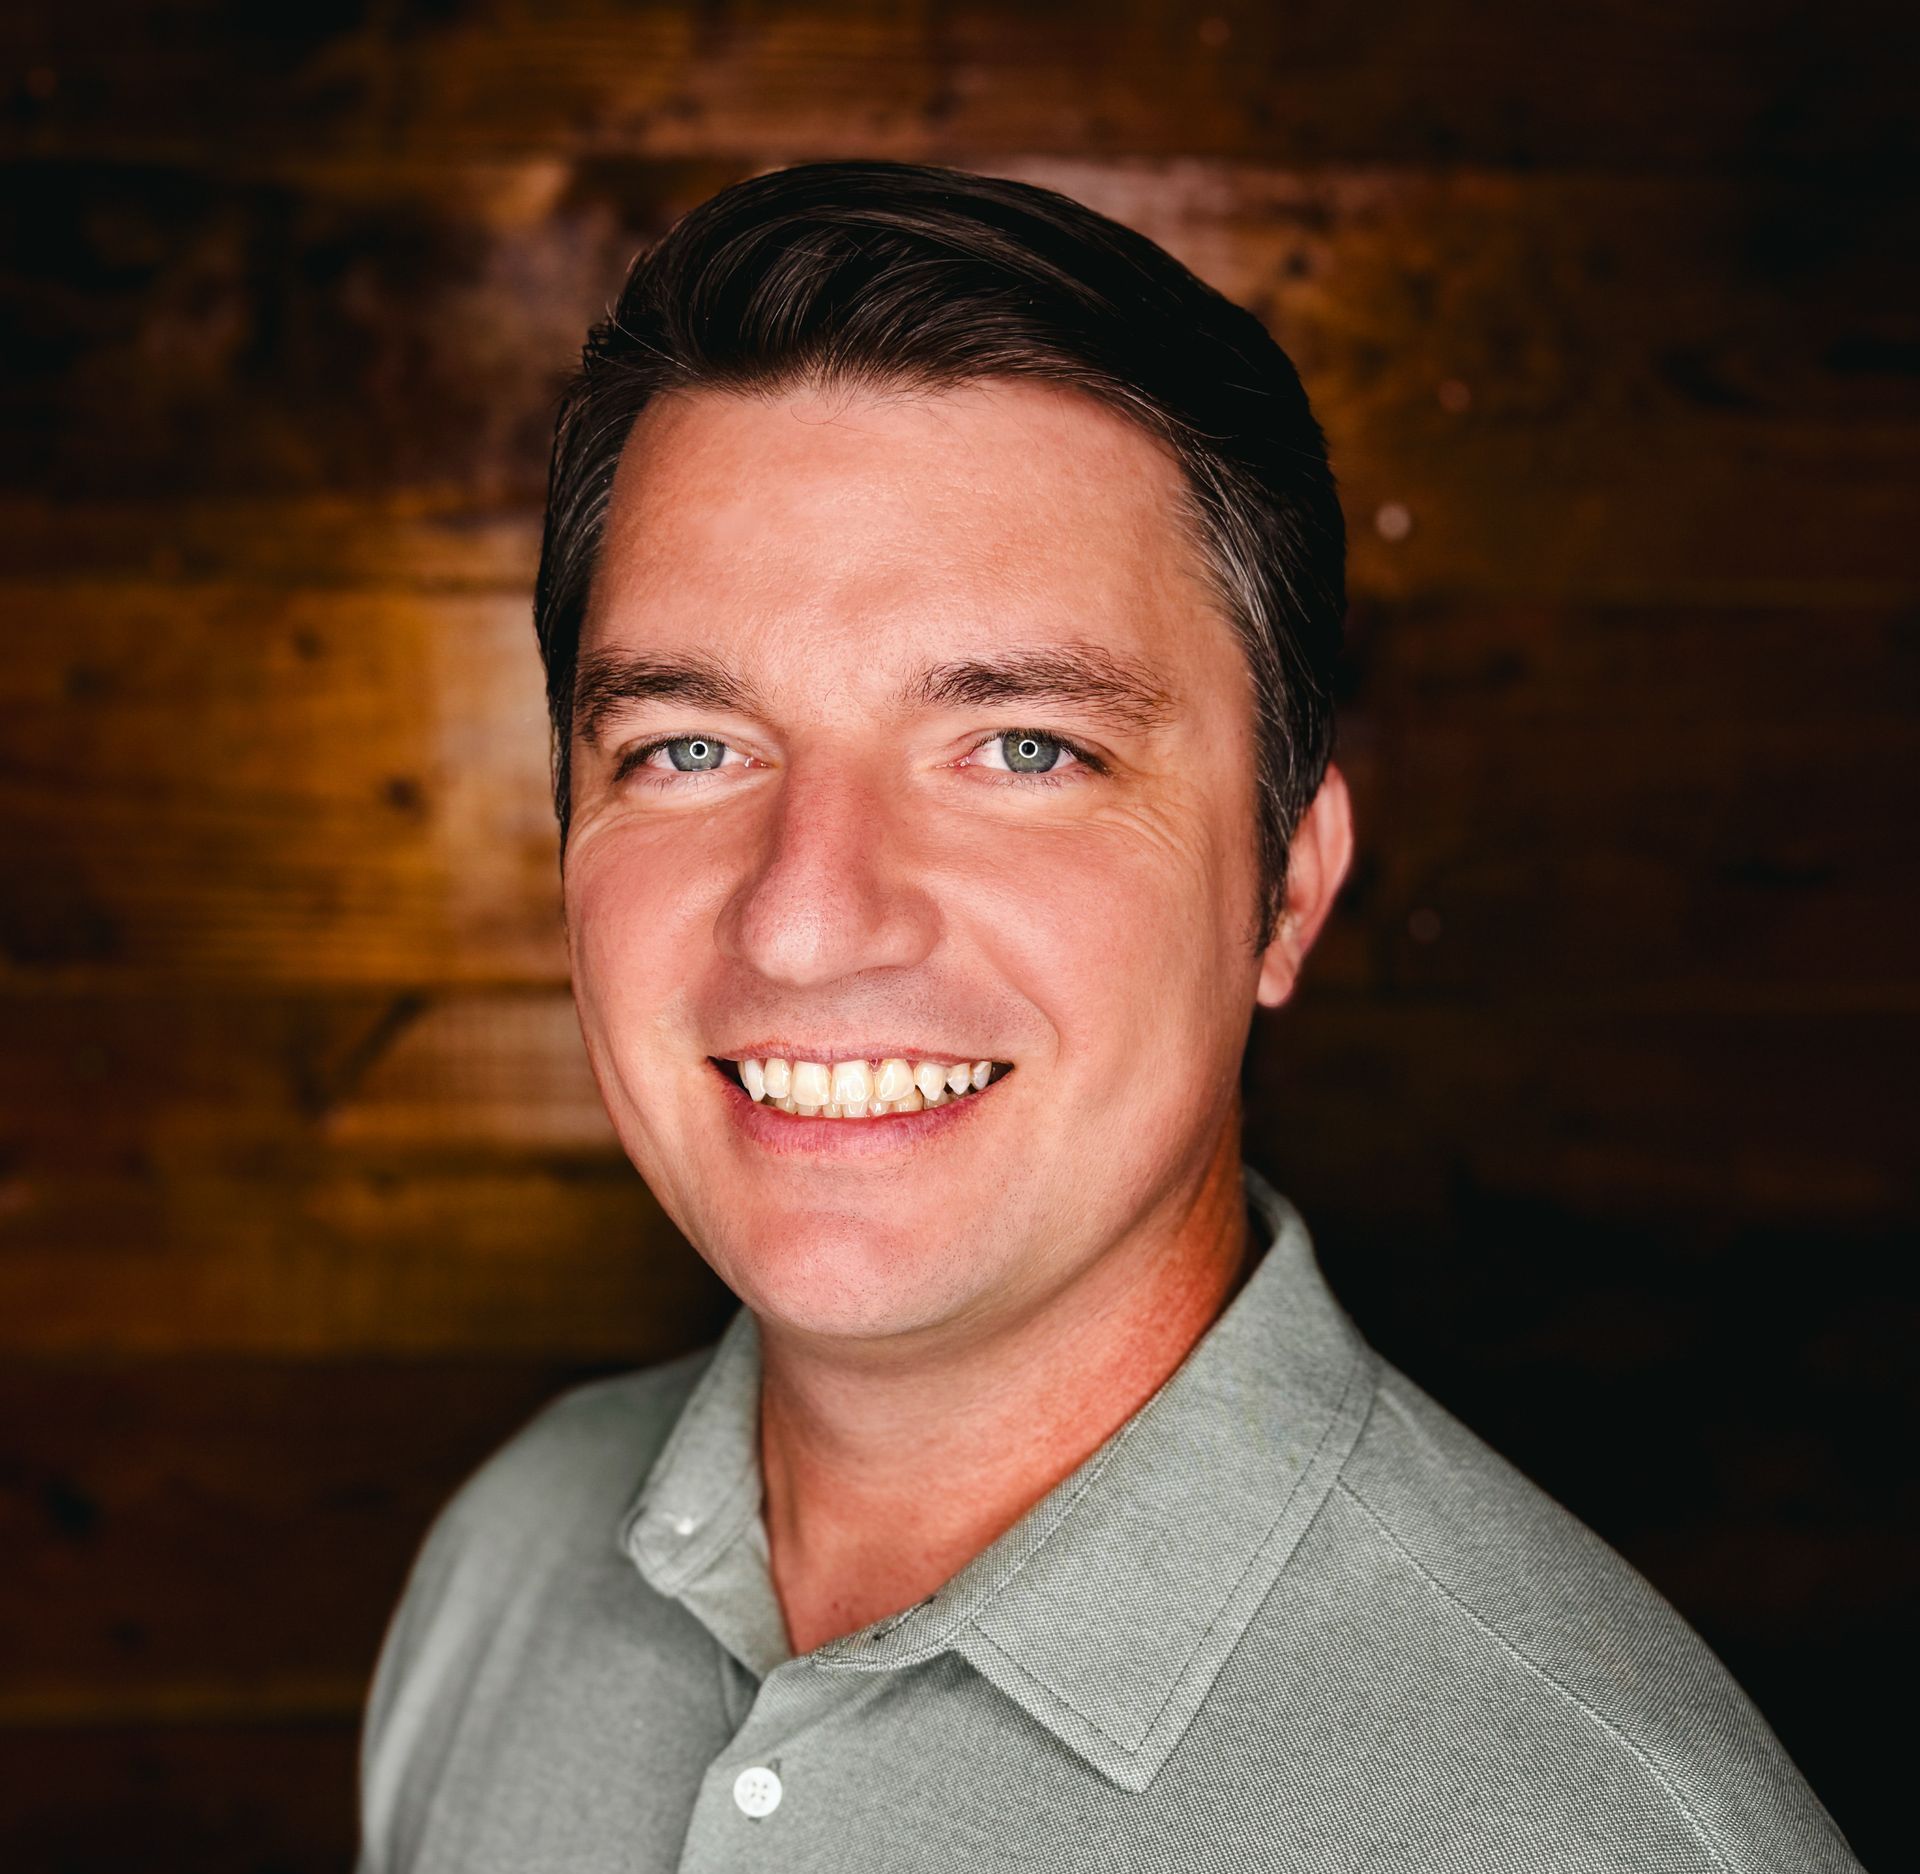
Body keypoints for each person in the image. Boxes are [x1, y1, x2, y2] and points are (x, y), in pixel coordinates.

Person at [352, 160, 1861, 1872]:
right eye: (690, 747)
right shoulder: (505, 1561)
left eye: (1025, 749)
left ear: (1284, 888)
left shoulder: (1591, 1832)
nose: (807, 912)